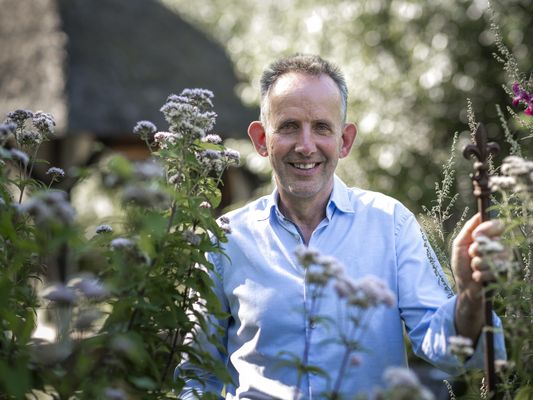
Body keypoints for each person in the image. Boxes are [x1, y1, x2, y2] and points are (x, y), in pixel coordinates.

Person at [176, 54, 506, 399]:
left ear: (344, 141)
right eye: (288, 126)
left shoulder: (390, 224)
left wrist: (469, 294)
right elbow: (197, 374)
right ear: (262, 139)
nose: (306, 146)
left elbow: (445, 351)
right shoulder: (226, 238)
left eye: (321, 127)